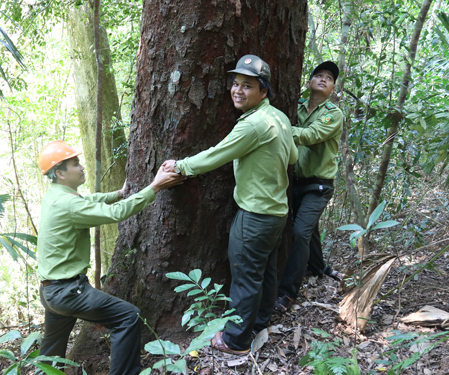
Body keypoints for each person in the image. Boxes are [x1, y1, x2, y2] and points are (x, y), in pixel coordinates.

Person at [163, 55, 298, 355]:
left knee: (246, 277)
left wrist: (180, 166)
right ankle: (259, 322)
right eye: (235, 84)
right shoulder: (279, 118)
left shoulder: (252, 126)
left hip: (255, 216)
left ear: (263, 91)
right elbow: (293, 158)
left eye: (247, 86)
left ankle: (236, 340)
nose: (237, 91)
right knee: (265, 272)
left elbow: (216, 155)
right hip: (276, 213)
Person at [36, 140, 184, 375]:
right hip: (68, 292)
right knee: (128, 316)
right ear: (59, 173)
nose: (81, 166)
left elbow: (87, 201)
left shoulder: (56, 196)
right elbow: (117, 214)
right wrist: (154, 187)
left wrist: (119, 193)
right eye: (75, 164)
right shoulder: (68, 204)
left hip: (50, 293)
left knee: (51, 353)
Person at [274, 61, 345, 313]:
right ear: (309, 82)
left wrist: (273, 126)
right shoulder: (297, 109)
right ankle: (318, 267)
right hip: (296, 182)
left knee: (300, 232)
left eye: (329, 78)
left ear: (334, 88)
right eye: (319, 75)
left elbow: (311, 135)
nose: (324, 79)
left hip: (319, 185)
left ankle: (287, 293)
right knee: (309, 229)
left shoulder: (332, 113)